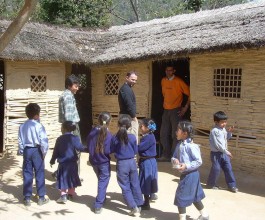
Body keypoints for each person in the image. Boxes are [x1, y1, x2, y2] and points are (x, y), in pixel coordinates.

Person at [172, 121, 209, 220]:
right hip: (186, 175)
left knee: (180, 196)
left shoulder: (192, 146)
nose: (176, 132)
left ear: (185, 133)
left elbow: (198, 161)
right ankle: (205, 215)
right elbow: (174, 156)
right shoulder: (179, 145)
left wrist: (186, 166)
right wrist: (175, 160)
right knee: (195, 196)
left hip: (191, 175)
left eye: (178, 130)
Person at [110, 114, 143, 216]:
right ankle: (139, 204)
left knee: (125, 186)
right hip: (132, 162)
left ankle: (133, 207)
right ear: (129, 125)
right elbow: (135, 150)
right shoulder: (133, 137)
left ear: (118, 125)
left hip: (122, 163)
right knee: (135, 183)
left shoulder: (115, 137)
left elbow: (111, 150)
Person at [18, 103, 49, 206]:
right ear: (37, 114)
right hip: (37, 150)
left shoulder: (22, 126)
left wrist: (22, 151)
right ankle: (41, 197)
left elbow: (20, 141)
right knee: (39, 173)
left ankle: (27, 198)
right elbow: (43, 141)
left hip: (27, 150)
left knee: (27, 173)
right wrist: (44, 152)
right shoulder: (39, 126)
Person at [159, 65, 190, 162]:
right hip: (166, 110)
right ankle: (165, 155)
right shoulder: (163, 81)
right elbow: (164, 95)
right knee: (163, 133)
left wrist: (185, 108)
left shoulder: (179, 81)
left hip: (176, 110)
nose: (168, 72)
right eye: (167, 70)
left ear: (174, 71)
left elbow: (191, 94)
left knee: (175, 134)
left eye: (170, 70)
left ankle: (174, 156)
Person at [50, 121, 85, 203]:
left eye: (61, 127)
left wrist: (52, 160)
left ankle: (63, 196)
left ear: (64, 129)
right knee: (72, 178)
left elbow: (56, 151)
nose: (61, 128)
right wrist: (89, 148)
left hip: (63, 163)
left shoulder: (59, 139)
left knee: (63, 179)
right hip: (73, 163)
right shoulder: (75, 138)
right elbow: (80, 147)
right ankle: (70, 194)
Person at [86, 112, 112, 214]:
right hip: (103, 162)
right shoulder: (108, 135)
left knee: (101, 179)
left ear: (98, 120)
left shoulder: (92, 132)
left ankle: (102, 197)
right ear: (109, 122)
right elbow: (108, 150)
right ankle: (98, 204)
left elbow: (88, 143)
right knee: (103, 181)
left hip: (94, 161)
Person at [206, 111, 238, 193]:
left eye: (225, 122)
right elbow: (218, 145)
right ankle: (211, 184)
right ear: (216, 122)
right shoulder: (214, 131)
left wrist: (229, 132)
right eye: (222, 122)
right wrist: (227, 152)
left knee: (228, 169)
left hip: (224, 153)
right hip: (216, 154)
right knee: (216, 169)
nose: (224, 124)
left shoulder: (223, 129)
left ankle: (232, 186)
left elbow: (225, 139)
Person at [57, 75, 82, 178]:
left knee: (67, 150)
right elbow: (68, 114)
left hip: (68, 126)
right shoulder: (68, 96)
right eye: (75, 86)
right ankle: (73, 175)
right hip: (71, 126)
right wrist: (70, 131)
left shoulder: (67, 95)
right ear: (69, 86)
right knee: (76, 150)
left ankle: (62, 173)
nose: (77, 88)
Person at [138, 118, 158, 210]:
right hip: (150, 161)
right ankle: (151, 195)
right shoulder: (149, 136)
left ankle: (146, 203)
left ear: (147, 128)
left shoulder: (148, 138)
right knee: (149, 180)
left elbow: (140, 148)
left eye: (141, 126)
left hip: (147, 162)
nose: (140, 127)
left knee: (146, 181)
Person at [118, 71, 139, 142]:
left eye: (135, 80)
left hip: (127, 116)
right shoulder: (125, 89)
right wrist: (134, 117)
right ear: (127, 78)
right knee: (130, 137)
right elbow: (129, 104)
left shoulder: (127, 89)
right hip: (127, 117)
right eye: (132, 79)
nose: (134, 82)